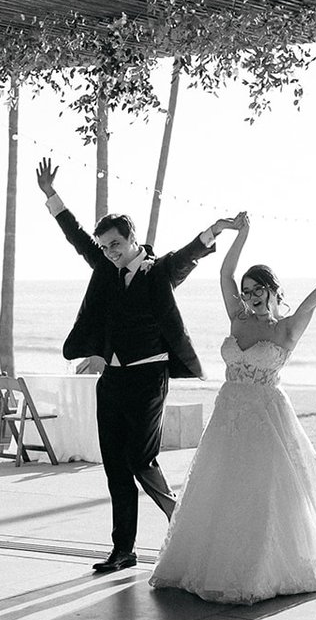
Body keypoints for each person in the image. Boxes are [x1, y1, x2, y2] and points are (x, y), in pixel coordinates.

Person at [36, 157, 243, 574]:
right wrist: (52, 197)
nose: (110, 253)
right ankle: (123, 550)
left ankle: (181, 520)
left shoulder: (156, 271)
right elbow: (77, 238)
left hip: (149, 377)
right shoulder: (105, 269)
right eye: (106, 247)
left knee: (140, 458)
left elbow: (186, 256)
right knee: (115, 466)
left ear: (132, 239)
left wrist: (215, 231)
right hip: (111, 380)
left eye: (115, 245)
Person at [150, 212, 316, 604]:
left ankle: (260, 569)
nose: (248, 297)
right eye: (246, 291)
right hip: (228, 415)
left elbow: (309, 308)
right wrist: (241, 234)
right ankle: (210, 564)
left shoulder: (284, 330)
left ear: (271, 290)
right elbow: (225, 273)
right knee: (220, 490)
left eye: (256, 290)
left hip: (267, 418)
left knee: (261, 493)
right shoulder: (237, 318)